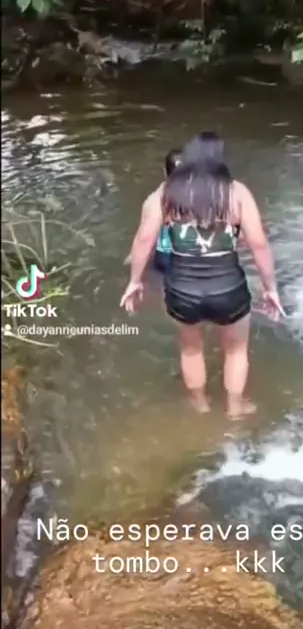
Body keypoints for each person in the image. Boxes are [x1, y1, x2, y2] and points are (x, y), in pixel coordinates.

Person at [120, 132, 284, 418]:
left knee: (191, 350)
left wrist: (134, 282)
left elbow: (145, 238)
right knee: (236, 351)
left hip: (182, 290)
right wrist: (270, 289)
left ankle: (200, 405)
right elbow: (258, 243)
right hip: (228, 288)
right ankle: (235, 408)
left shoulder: (167, 193)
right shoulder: (236, 192)